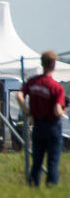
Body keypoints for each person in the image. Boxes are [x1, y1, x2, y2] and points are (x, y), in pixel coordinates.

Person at [17, 51, 66, 186]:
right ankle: (50, 188)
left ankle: (33, 187)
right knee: (52, 162)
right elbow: (57, 110)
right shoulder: (57, 87)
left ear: (41, 63)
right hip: (52, 126)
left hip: (37, 125)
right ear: (53, 65)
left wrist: (27, 111)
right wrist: (63, 109)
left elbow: (19, 96)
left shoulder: (32, 82)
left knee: (36, 161)